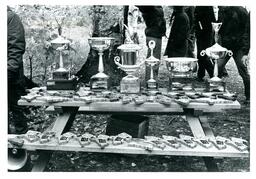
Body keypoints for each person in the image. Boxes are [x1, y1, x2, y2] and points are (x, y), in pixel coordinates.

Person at [218, 6, 250, 102]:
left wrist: (245, 50)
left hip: (239, 47)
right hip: (226, 46)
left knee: (243, 71)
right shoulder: (222, 10)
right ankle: (217, 92)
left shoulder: (241, 11)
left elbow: (247, 31)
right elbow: (220, 29)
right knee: (217, 67)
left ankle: (249, 96)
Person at [8, 6, 28, 134]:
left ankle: (23, 151)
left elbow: (16, 48)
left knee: (17, 111)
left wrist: (8, 72)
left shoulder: (10, 18)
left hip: (11, 77)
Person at [136, 6, 166, 83]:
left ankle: (152, 79)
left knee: (155, 58)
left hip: (156, 34)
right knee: (153, 59)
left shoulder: (154, 7)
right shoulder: (150, 7)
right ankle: (150, 80)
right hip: (153, 35)